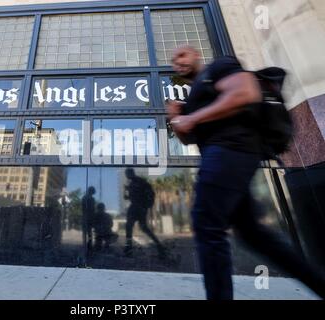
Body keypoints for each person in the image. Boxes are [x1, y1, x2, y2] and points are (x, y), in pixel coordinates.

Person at [167, 45, 325, 300]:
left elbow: (246, 93)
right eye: (173, 61)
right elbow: (188, 138)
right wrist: (177, 118)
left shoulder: (219, 67)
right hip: (223, 157)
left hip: (231, 151)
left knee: (207, 224)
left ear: (195, 54)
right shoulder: (197, 93)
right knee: (254, 235)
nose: (177, 63)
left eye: (182, 56)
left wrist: (193, 118)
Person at [124, 168, 166, 257]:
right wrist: (126, 192)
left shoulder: (141, 181)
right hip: (135, 206)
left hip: (139, 207)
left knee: (141, 227)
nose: (126, 176)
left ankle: (159, 245)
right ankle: (129, 247)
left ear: (131, 173)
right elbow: (130, 197)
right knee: (132, 226)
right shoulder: (131, 183)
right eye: (126, 174)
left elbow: (150, 193)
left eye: (127, 173)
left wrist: (147, 205)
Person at [81, 186, 96, 253]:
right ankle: (89, 244)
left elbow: (83, 208)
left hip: (85, 216)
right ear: (91, 191)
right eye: (93, 191)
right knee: (89, 232)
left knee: (85, 232)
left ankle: (85, 244)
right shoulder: (91, 198)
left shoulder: (84, 197)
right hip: (89, 216)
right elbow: (92, 209)